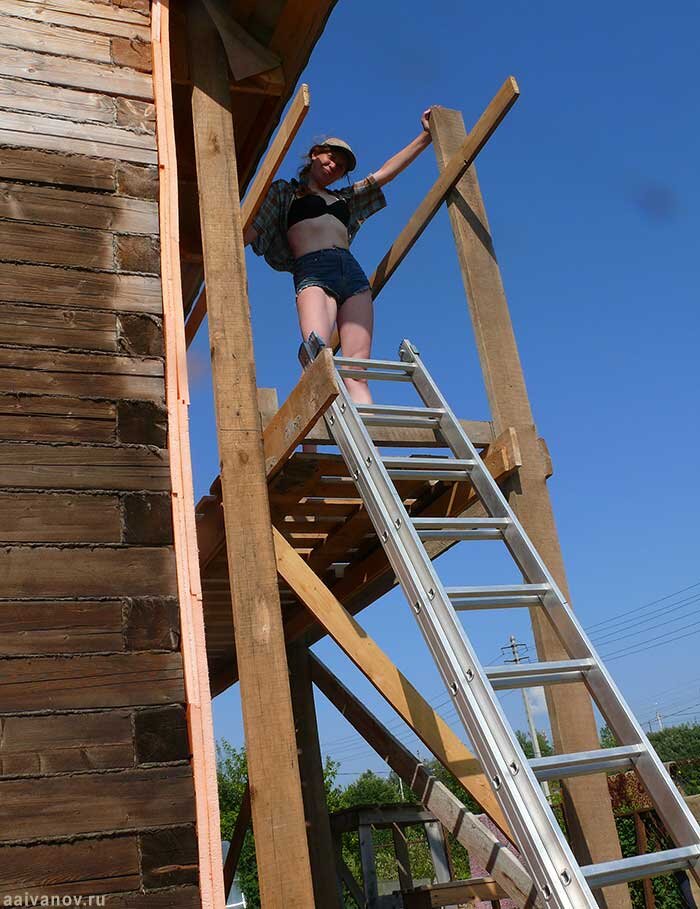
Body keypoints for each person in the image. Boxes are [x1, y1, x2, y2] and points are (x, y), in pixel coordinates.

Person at [243, 109, 434, 404]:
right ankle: (307, 443)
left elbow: (384, 175)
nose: (335, 166)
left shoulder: (345, 199)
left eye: (342, 167)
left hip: (352, 274)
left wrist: (425, 136)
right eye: (331, 158)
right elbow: (251, 230)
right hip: (313, 270)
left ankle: (372, 444)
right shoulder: (286, 193)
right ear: (315, 155)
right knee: (317, 357)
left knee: (357, 370)